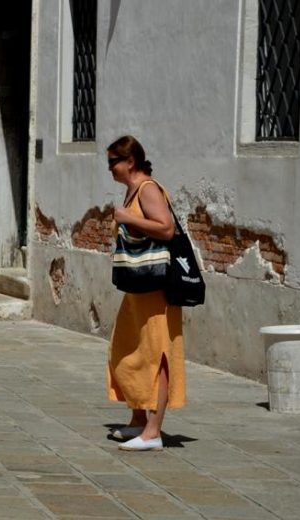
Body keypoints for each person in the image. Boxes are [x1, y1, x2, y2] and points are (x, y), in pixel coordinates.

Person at [106, 135, 186, 451]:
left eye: (113, 161)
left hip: (156, 287)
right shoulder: (132, 191)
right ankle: (138, 418)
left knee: (157, 353)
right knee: (128, 349)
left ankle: (153, 432)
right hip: (138, 286)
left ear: (131, 162)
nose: (109, 167)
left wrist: (127, 218)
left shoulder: (148, 189)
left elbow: (166, 228)